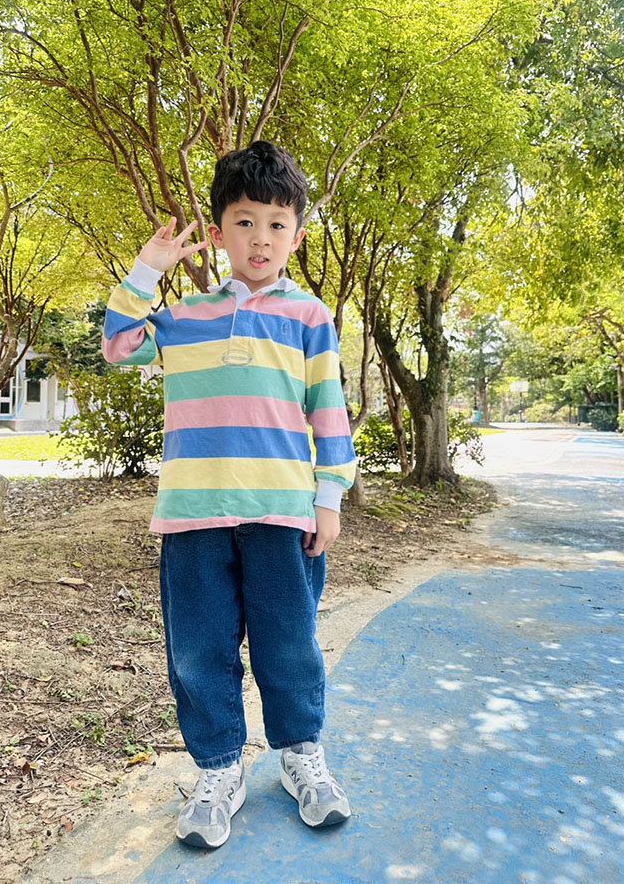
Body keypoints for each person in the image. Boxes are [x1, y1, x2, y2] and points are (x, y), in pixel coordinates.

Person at [102, 141, 357, 849]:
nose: (261, 239)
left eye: (277, 224)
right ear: (219, 234)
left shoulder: (310, 317)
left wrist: (330, 497)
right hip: (194, 515)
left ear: (296, 236)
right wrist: (147, 270)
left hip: (283, 512)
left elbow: (329, 412)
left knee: (289, 646)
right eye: (245, 222)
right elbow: (119, 346)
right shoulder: (186, 318)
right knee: (199, 651)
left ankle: (302, 757)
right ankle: (218, 769)